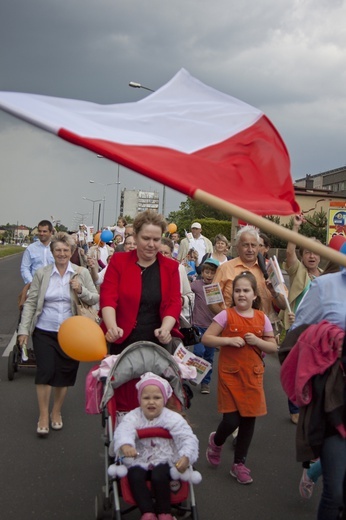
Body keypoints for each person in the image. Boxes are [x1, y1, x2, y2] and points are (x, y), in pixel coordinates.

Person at [17, 232, 99, 436]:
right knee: (44, 372)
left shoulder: (81, 273)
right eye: (58, 250)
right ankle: (43, 415)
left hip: (73, 334)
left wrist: (81, 290)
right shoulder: (42, 274)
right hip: (45, 330)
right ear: (52, 253)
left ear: (71, 252)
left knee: (64, 374)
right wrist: (23, 330)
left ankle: (56, 411)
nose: (62, 254)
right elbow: (31, 302)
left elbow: (95, 298)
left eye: (65, 250)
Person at [202, 271, 277, 484]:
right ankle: (216, 441)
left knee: (248, 421)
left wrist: (257, 341)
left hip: (253, 377)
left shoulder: (262, 318)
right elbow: (206, 338)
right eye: (237, 291)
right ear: (232, 294)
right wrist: (227, 341)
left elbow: (272, 347)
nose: (241, 294)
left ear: (255, 295)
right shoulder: (225, 315)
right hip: (230, 376)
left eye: (246, 290)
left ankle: (239, 464)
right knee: (231, 420)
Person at [289, 268, 346, 520]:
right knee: (336, 491)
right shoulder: (325, 286)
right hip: (335, 399)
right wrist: (330, 339)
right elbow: (296, 338)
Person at [113, 372, 199, 520]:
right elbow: (123, 430)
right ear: (139, 399)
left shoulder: (172, 418)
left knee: (159, 475)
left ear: (164, 400)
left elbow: (187, 437)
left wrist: (186, 456)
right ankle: (147, 512)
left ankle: (164, 512)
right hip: (139, 458)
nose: (151, 402)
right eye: (146, 398)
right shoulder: (133, 416)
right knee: (134, 475)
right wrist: (126, 444)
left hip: (165, 458)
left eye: (157, 398)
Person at [100, 210, 182, 355]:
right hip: (122, 338)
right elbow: (108, 297)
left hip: (156, 342)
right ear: (136, 237)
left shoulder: (171, 267)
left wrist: (166, 328)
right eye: (146, 238)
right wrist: (112, 327)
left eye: (156, 239)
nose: (151, 244)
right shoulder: (119, 261)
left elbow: (174, 302)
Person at [281, 215, 323, 425]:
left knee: (316, 372)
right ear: (303, 255)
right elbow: (289, 252)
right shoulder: (298, 272)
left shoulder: (326, 277)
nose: (312, 256)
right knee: (295, 370)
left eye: (315, 252)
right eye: (307, 252)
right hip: (297, 329)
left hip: (318, 333)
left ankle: (313, 404)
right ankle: (294, 407)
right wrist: (295, 227)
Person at [210, 226, 286, 320]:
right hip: (232, 328)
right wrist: (228, 319)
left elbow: (284, 305)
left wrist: (275, 293)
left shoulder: (270, 269)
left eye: (253, 245)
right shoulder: (224, 268)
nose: (250, 249)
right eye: (245, 245)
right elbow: (211, 301)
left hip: (262, 328)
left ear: (258, 247)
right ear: (237, 247)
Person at [190, 258, 219, 394]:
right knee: (198, 352)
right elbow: (185, 288)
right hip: (197, 325)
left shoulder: (218, 288)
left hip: (213, 327)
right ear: (202, 272)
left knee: (209, 356)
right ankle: (193, 372)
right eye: (207, 272)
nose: (209, 275)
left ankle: (205, 383)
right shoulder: (196, 285)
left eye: (212, 273)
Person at [159, 237, 194, 320]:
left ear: (171, 253)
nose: (163, 255)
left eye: (166, 253)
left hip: (175, 315)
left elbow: (190, 295)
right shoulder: (149, 267)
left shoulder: (179, 268)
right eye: (160, 252)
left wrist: (181, 301)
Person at [20, 220, 55, 284]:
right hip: (35, 286)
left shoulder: (57, 248)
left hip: (53, 286)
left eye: (44, 231)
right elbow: (24, 268)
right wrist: (31, 282)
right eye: (40, 231)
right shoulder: (31, 248)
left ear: (51, 232)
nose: (41, 234)